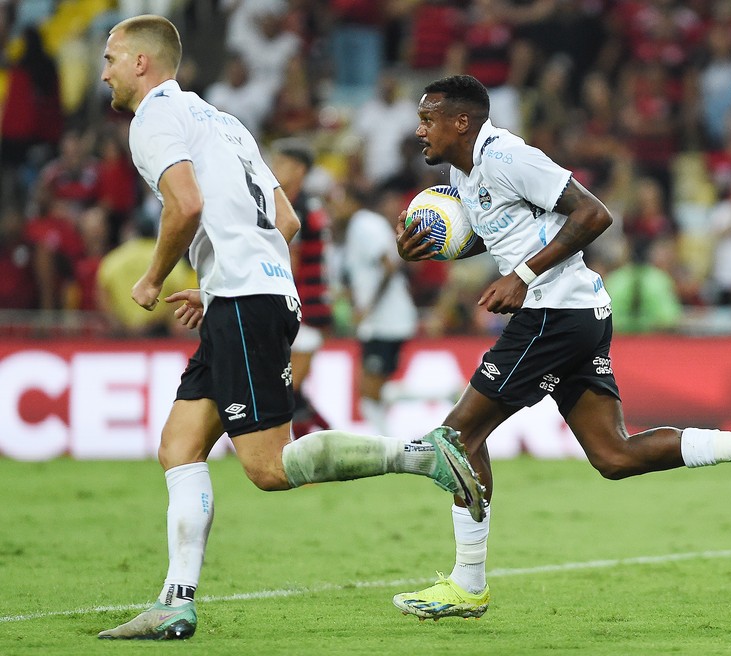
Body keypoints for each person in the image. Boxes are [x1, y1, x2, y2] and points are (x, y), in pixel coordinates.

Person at [96, 16, 484, 641]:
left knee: (269, 466)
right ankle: (176, 601)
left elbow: (185, 204)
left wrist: (153, 277)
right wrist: (221, 276)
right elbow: (286, 219)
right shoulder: (223, 121)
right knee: (179, 446)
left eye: (111, 56)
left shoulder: (153, 118)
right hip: (251, 293)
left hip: (247, 300)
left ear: (143, 62)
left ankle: (420, 454)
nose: (104, 68)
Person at [392, 75, 731, 621]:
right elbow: (494, 232)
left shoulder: (507, 157)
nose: (419, 129)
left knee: (457, 437)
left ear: (461, 122)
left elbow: (594, 214)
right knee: (614, 455)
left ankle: (467, 584)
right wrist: (433, 248)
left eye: (428, 119)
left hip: (552, 312)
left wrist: (522, 275)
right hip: (579, 314)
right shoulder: (463, 170)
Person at [336, 182, 419, 434]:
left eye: (338, 200)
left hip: (386, 320)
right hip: (382, 321)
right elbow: (366, 274)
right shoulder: (355, 228)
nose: (333, 207)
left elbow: (389, 266)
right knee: (372, 390)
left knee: (370, 392)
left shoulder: (365, 224)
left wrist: (368, 307)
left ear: (352, 200)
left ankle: (387, 442)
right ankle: (387, 439)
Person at [268, 141, 333, 436]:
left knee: (288, 386)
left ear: (299, 170)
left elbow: (290, 262)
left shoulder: (301, 211)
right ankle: (326, 436)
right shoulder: (298, 205)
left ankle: (319, 440)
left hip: (305, 307)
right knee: (289, 385)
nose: (273, 169)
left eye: (280, 163)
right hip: (296, 304)